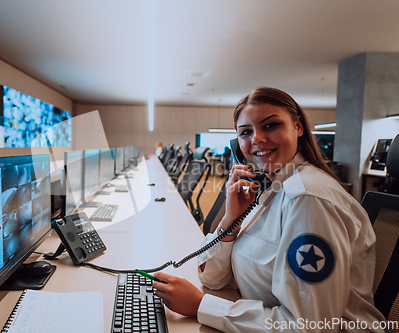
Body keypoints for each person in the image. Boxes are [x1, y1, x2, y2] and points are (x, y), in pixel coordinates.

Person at [152, 87, 386, 332]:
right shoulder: (270, 188)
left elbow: (308, 326)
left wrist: (201, 305)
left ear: (298, 127)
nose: (257, 139)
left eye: (270, 125)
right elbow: (213, 279)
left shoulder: (308, 199)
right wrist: (231, 221)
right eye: (245, 132)